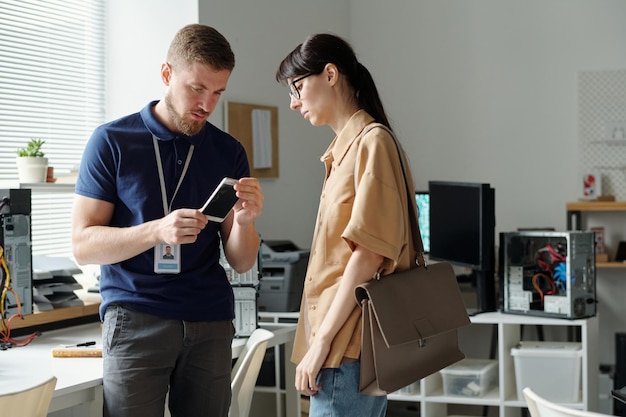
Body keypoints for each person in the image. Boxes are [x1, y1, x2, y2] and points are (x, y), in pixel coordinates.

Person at [72, 24, 263, 417]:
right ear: (166, 74)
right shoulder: (111, 141)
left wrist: (245, 222)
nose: (207, 105)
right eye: (197, 88)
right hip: (136, 316)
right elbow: (83, 245)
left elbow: (242, 261)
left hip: (209, 320)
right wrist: (157, 230)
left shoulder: (228, 151)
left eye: (217, 93)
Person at [275, 34, 418, 417]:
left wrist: (321, 343)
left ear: (331, 74)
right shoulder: (344, 152)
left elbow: (367, 256)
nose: (293, 102)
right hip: (340, 348)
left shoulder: (372, 143)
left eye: (298, 87)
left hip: (346, 348)